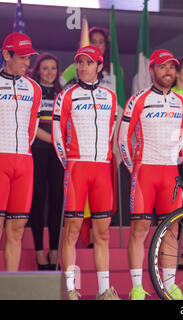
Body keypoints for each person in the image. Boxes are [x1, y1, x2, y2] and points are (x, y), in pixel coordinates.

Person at [117, 49, 183, 300]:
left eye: (171, 67)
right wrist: (132, 167)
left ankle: (169, 285)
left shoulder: (182, 102)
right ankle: (137, 287)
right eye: (162, 66)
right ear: (152, 70)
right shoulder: (138, 99)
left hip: (171, 173)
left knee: (172, 229)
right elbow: (122, 139)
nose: (168, 71)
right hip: (144, 171)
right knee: (139, 229)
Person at [52, 45, 119, 300]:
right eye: (80, 62)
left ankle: (104, 291)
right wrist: (68, 162)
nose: (83, 67)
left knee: (102, 233)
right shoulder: (66, 96)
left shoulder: (110, 97)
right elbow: (58, 133)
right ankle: (69, 289)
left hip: (101, 169)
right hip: (77, 168)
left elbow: (111, 133)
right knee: (71, 230)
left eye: (89, 63)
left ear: (99, 66)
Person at [0, 32, 41, 271]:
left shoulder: (34, 88)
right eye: (22, 57)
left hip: (24, 162)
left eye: (29, 58)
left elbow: (32, 128)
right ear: (6, 54)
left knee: (16, 230)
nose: (27, 63)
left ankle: (10, 290)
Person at [29, 52, 64, 270]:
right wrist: (54, 139)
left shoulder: (63, 93)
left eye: (53, 68)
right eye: (45, 68)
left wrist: (61, 142)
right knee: (39, 200)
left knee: (57, 201)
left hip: (58, 154)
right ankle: (39, 252)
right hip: (38, 150)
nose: (49, 72)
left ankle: (53, 250)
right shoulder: (34, 91)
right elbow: (31, 124)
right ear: (38, 70)